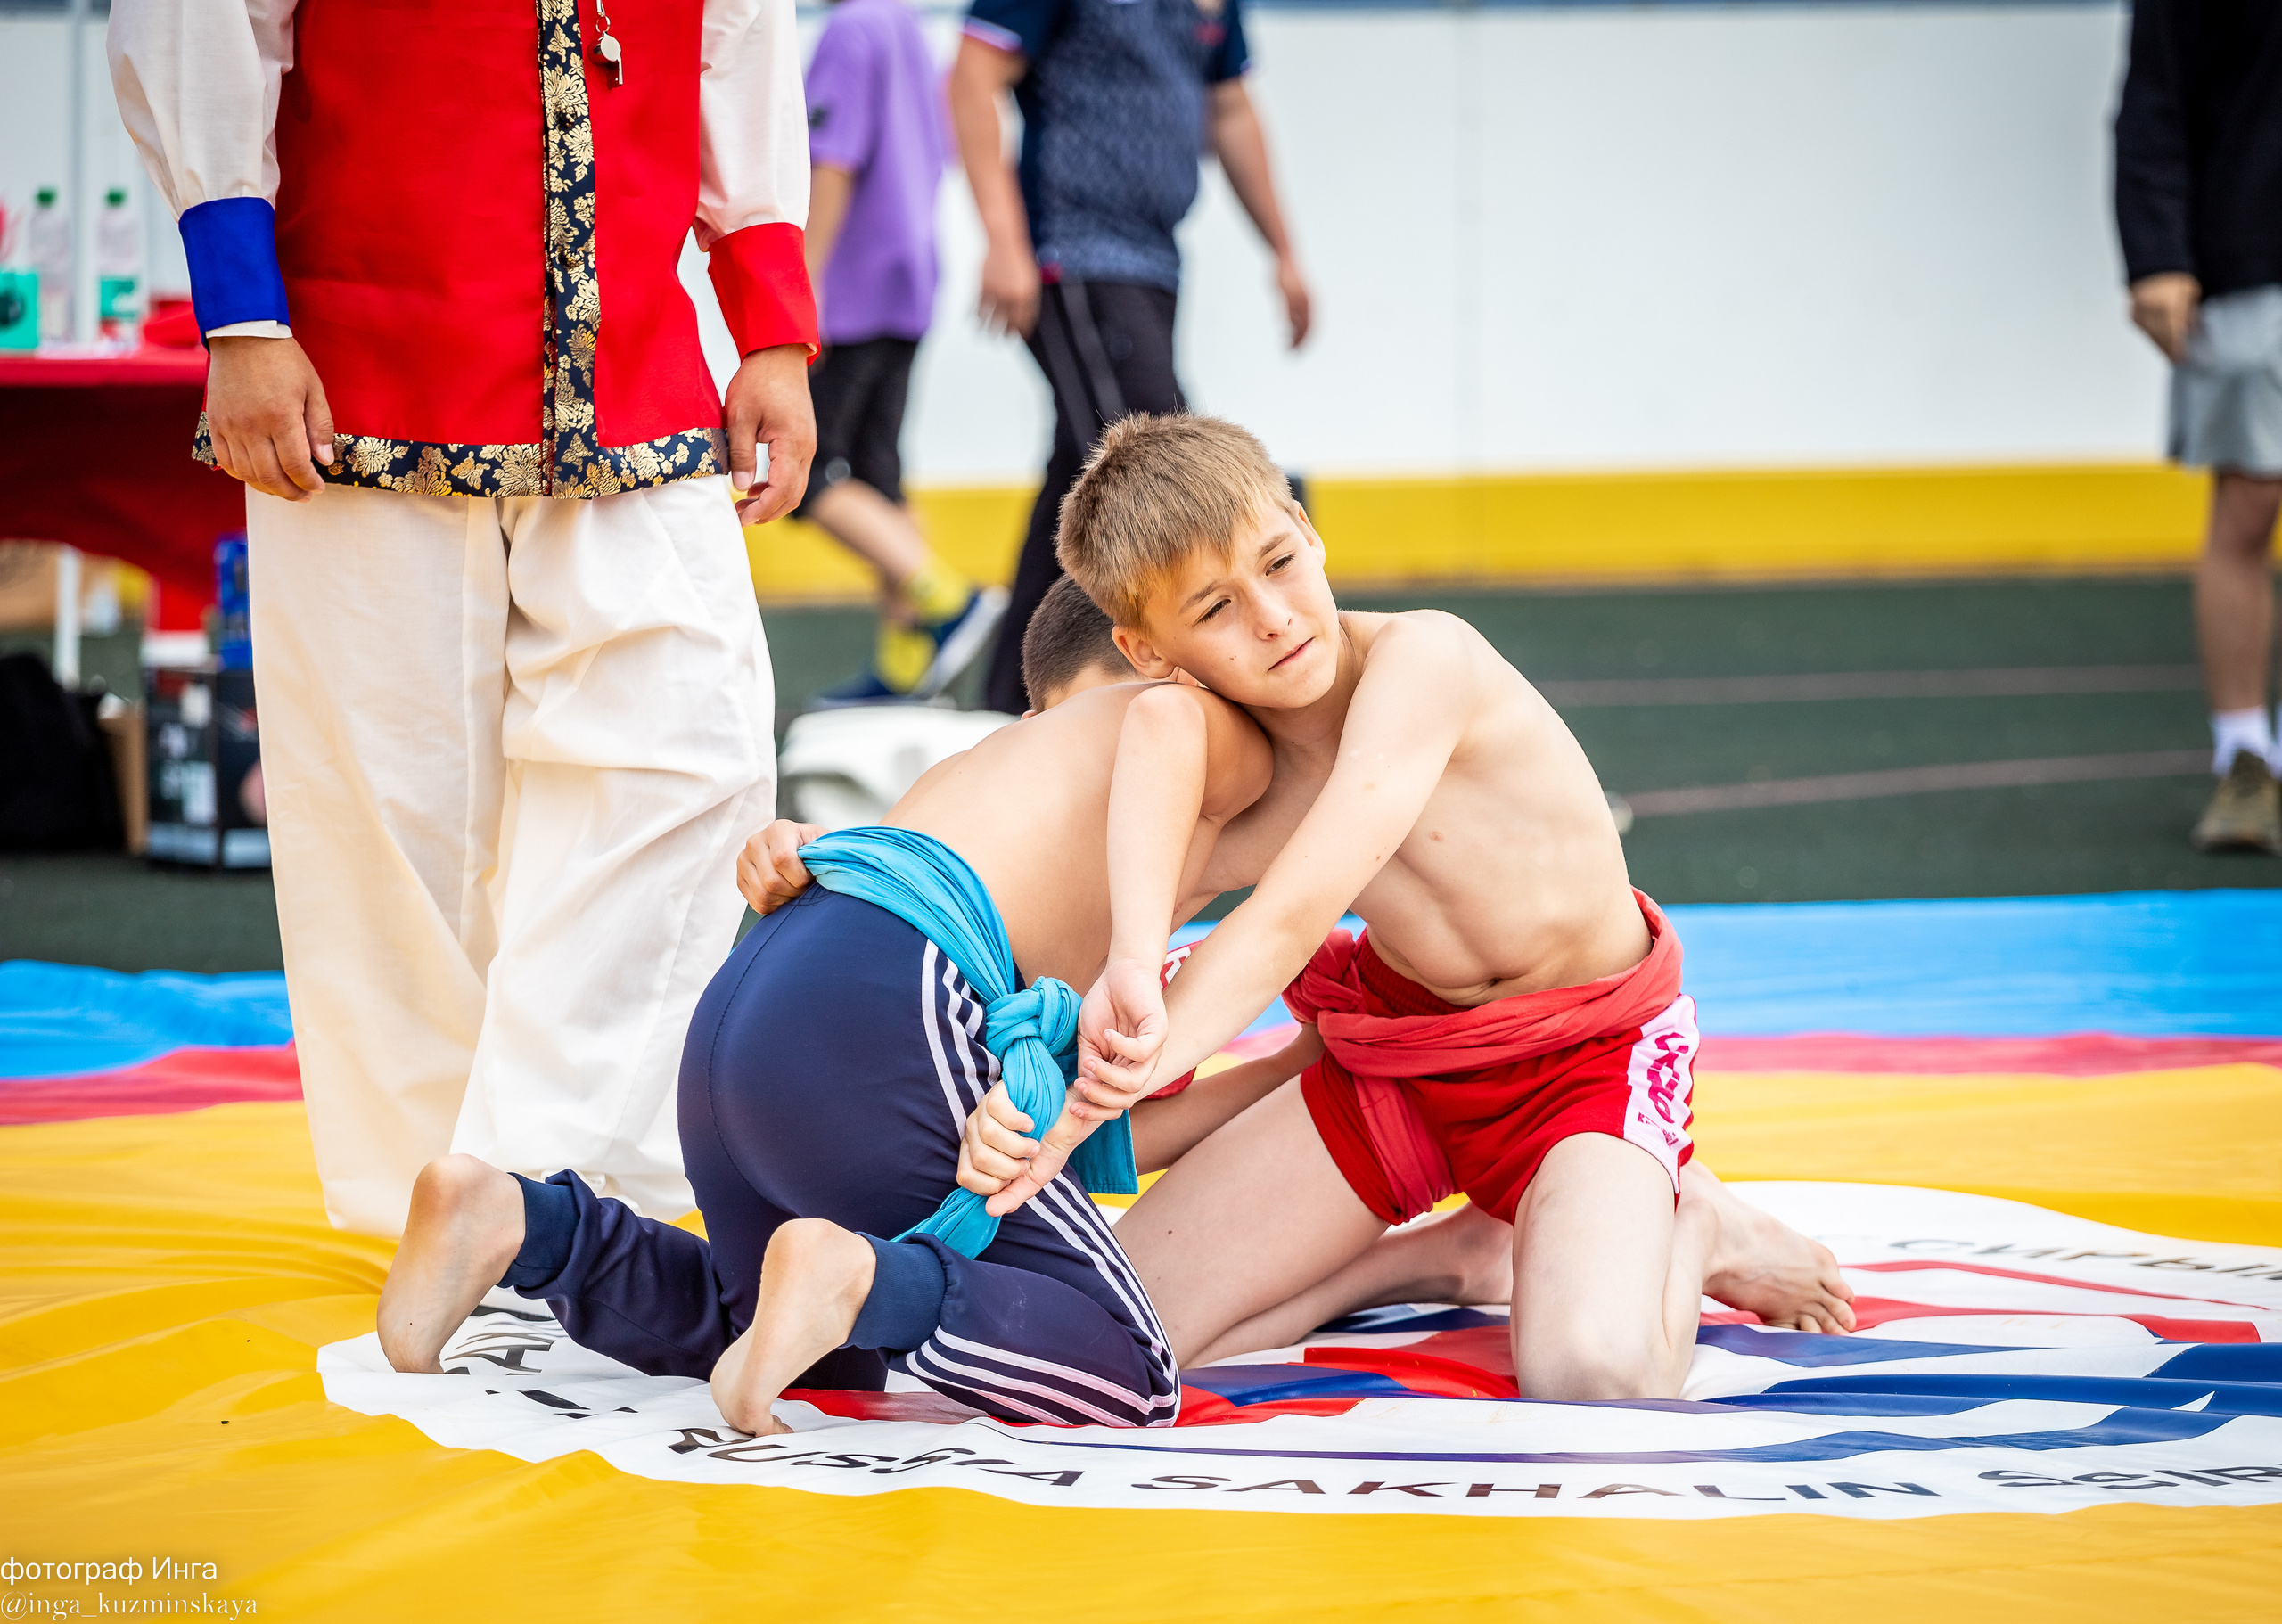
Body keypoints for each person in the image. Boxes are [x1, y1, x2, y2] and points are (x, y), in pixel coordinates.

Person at [957, 414, 1858, 1399]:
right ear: (1148, 649)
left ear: (1308, 530)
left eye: (1279, 562)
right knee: (1116, 1340)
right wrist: (1011, 1085)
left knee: (1596, 1375)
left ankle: (1700, 1220)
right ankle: (1443, 1257)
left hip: (1587, 1059)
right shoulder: (1227, 768)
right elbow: (1062, 942)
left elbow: (1290, 917)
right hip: (1405, 1061)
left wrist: (1093, 1095)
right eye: (1216, 608)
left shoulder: (1427, 661)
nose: (1274, 617)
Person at [107, 0, 819, 1236]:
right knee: (395, 820)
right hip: (359, 369)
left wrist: (771, 326)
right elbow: (203, 22)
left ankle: (568, 1193)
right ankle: (425, 1201)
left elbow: (738, 36)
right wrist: (242, 315)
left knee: (692, 759)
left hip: (634, 368)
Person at [375, 618, 1280, 1433]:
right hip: (884, 995)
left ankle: (522, 1223)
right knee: (1132, 1369)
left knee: (805, 1356)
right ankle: (854, 1276)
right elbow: (1179, 740)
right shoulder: (1174, 728)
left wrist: (1288, 1066)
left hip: (760, 993)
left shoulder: (990, 777)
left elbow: (1080, 1135)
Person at [948, 0, 1312, 715]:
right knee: (1162, 475)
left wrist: (1284, 251)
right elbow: (972, 75)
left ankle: (1007, 707)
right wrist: (1004, 240)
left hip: (1155, 262)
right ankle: (1217, 686)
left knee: (1081, 475)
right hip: (1075, 254)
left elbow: (1230, 109)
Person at [799, 0, 1008, 706]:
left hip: (852, 286)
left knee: (806, 473)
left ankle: (946, 598)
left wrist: (806, 280)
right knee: (878, 475)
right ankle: (906, 662)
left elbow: (834, 161)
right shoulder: (908, 29)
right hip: (907, 279)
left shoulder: (850, 30)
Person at [2114, 1, 2282, 854]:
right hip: (2253, 262)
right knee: (2249, 507)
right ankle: (2245, 757)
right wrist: (2157, 255)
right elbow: (2153, 101)